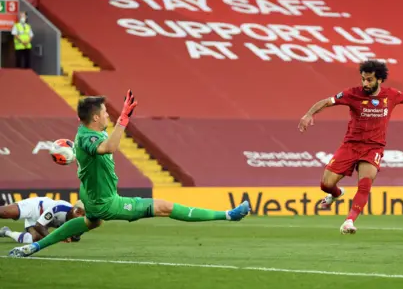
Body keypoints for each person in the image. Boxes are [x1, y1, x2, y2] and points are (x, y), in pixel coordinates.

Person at [9, 90, 251, 258]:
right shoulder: (89, 136)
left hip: (92, 197)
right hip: (106, 201)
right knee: (165, 207)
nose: (108, 115)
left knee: (91, 222)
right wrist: (124, 119)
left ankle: (33, 247)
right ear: (95, 117)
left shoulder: (86, 132)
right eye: (105, 112)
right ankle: (229, 215)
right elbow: (109, 148)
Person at [298, 60, 403, 234]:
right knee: (326, 184)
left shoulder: (391, 95)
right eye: (363, 79)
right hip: (350, 145)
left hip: (373, 148)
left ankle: (349, 221)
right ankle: (335, 194)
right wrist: (308, 114)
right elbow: (328, 101)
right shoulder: (352, 94)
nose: (365, 83)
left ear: (380, 80)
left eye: (369, 80)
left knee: (364, 184)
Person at [0, 197, 85, 244]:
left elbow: (76, 237)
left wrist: (70, 236)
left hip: (43, 222)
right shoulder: (59, 207)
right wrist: (54, 239)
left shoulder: (81, 220)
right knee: (4, 212)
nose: (80, 216)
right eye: (78, 212)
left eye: (83, 214)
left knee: (33, 239)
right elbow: (39, 225)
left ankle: (6, 232)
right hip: (35, 207)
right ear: (72, 209)